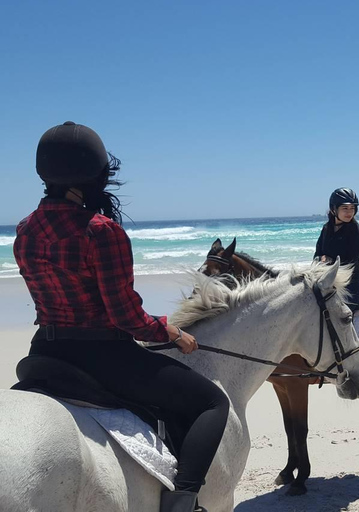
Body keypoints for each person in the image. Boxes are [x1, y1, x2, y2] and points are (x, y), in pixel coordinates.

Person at [14, 121, 229, 512]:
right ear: (92, 174)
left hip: (43, 351)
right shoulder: (100, 231)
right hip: (103, 357)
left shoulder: (24, 230)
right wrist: (170, 331)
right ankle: (182, 503)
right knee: (211, 403)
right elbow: (124, 315)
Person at [314, 187, 359, 310]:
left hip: (349, 284)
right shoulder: (326, 228)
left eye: (352, 208)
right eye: (345, 208)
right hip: (327, 280)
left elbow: (351, 261)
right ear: (334, 209)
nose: (349, 212)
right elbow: (317, 252)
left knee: (342, 316)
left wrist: (330, 260)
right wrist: (319, 259)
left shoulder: (355, 232)